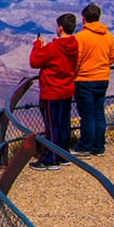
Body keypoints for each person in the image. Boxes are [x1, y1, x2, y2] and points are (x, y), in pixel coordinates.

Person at [28, 13, 78, 171]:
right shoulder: (75, 44)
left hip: (51, 92)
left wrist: (37, 46)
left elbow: (34, 62)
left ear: (61, 28)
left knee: (52, 126)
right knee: (63, 124)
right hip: (67, 90)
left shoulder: (53, 47)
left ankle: (51, 158)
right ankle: (63, 154)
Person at [72, 4, 114, 158]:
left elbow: (75, 60)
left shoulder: (80, 37)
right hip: (103, 79)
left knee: (87, 115)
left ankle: (84, 147)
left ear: (83, 18)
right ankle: (98, 146)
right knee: (99, 113)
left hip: (85, 80)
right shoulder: (108, 36)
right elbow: (112, 57)